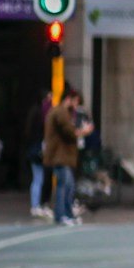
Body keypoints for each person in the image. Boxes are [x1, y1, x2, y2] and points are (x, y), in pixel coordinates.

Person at [43, 87, 89, 225]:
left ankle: (66, 214)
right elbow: (69, 132)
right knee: (65, 185)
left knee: (68, 185)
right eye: (75, 102)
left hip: (61, 156)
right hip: (60, 156)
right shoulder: (60, 112)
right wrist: (83, 131)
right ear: (68, 99)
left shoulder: (60, 112)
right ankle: (61, 215)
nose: (76, 106)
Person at [25, 90, 57, 216]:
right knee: (39, 178)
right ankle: (36, 204)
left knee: (38, 178)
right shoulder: (42, 114)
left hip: (35, 148)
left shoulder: (36, 112)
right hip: (39, 149)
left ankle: (37, 204)